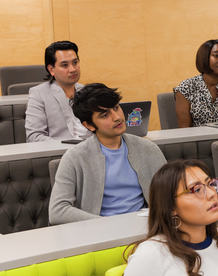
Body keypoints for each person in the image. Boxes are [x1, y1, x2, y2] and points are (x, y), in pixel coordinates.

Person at [49, 84, 167, 225]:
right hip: (100, 231)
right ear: (89, 125)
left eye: (116, 108)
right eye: (105, 115)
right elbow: (57, 212)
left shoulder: (148, 149)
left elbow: (171, 195)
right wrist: (107, 225)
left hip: (146, 228)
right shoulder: (75, 157)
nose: (117, 117)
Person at [25, 40, 92, 142]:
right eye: (65, 65)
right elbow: (34, 136)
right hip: (61, 153)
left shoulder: (88, 91)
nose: (73, 69)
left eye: (75, 62)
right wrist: (68, 147)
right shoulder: (39, 94)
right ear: (51, 69)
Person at [174, 39, 218, 128]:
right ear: (204, 57)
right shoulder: (186, 87)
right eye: (216, 55)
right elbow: (184, 131)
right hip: (200, 139)